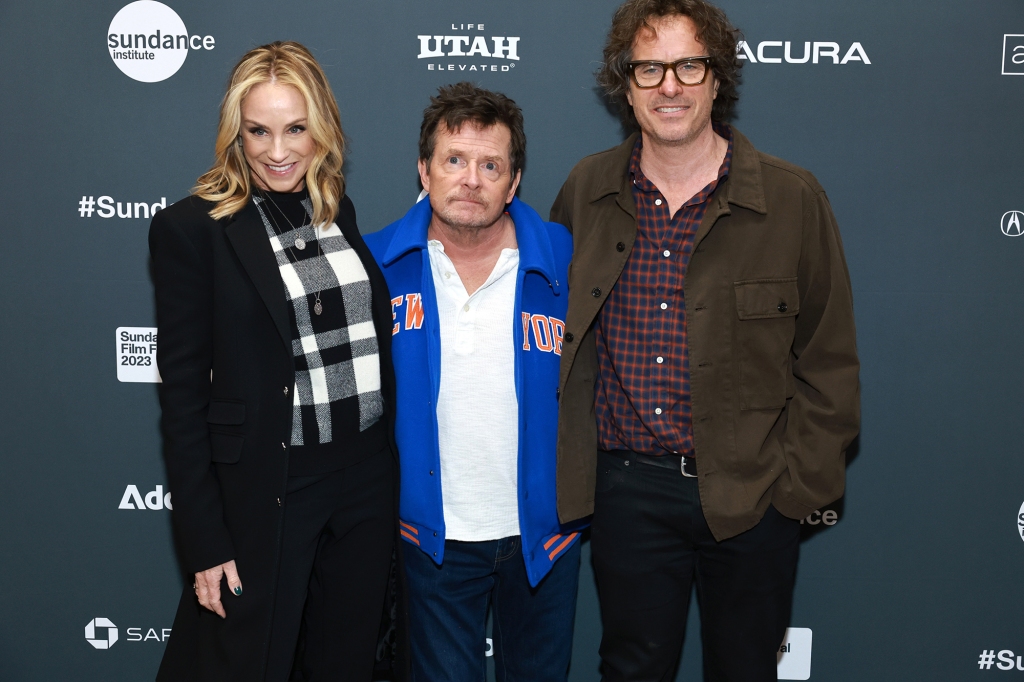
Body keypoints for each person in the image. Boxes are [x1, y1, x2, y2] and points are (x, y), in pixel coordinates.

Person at [551, 1, 861, 679]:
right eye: (650, 68)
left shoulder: (792, 199)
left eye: (689, 65)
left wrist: (794, 494)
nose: (670, 86)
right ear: (624, 84)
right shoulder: (585, 192)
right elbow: (553, 342)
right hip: (626, 492)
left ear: (718, 79)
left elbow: (828, 361)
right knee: (631, 670)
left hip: (753, 495)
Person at [150, 41, 402, 682]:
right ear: (235, 133)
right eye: (258, 131)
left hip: (365, 483)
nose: (278, 150)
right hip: (272, 488)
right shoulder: (194, 229)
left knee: (343, 665)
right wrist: (203, 542)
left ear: (323, 129)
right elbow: (181, 398)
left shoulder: (334, 210)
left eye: (296, 129)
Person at [365, 82, 583, 682]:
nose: (471, 179)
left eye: (491, 165)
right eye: (454, 160)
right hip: (429, 540)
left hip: (544, 539)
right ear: (423, 170)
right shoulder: (375, 264)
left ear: (514, 183)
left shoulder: (565, 259)